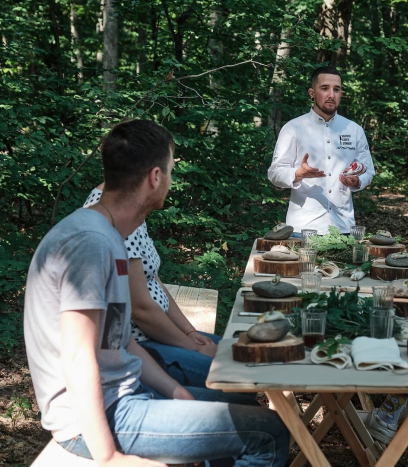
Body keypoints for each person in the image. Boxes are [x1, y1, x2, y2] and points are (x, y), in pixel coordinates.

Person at [24, 119, 289, 465]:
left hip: (126, 394)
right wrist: (109, 459)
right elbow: (77, 357)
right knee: (270, 433)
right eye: (170, 171)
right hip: (98, 417)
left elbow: (124, 343)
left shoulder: (109, 234)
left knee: (239, 403)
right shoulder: (89, 242)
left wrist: (177, 392)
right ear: (155, 177)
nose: (170, 179)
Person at [84, 185, 218, 388]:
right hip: (142, 344)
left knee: (239, 353)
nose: (169, 181)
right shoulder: (116, 212)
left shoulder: (130, 206)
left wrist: (189, 331)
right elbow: (140, 310)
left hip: (154, 335)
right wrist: (194, 349)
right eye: (169, 169)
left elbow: (153, 280)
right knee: (236, 371)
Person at [267, 66, 375, 234]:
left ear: (341, 94)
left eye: (336, 89)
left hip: (344, 227)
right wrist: (298, 173)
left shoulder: (354, 130)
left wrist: (357, 181)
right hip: (302, 228)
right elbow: (274, 173)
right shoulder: (293, 128)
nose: (331, 95)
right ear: (312, 93)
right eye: (324, 88)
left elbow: (368, 171)